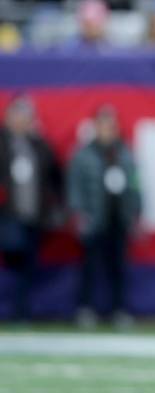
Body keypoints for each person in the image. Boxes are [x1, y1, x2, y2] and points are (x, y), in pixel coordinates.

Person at [67, 106, 141, 329]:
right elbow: (75, 186)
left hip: (118, 217)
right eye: (102, 125)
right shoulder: (82, 154)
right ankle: (85, 308)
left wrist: (136, 212)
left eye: (110, 125)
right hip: (94, 217)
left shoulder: (126, 154)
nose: (107, 130)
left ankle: (119, 310)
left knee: (118, 267)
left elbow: (135, 186)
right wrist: (78, 212)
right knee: (90, 266)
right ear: (95, 127)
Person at [0, 96, 62, 321]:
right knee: (12, 260)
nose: (20, 121)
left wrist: (55, 206)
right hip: (6, 215)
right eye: (16, 115)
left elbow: (55, 176)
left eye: (25, 116)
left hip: (34, 215)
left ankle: (21, 311)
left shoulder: (39, 145)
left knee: (28, 264)